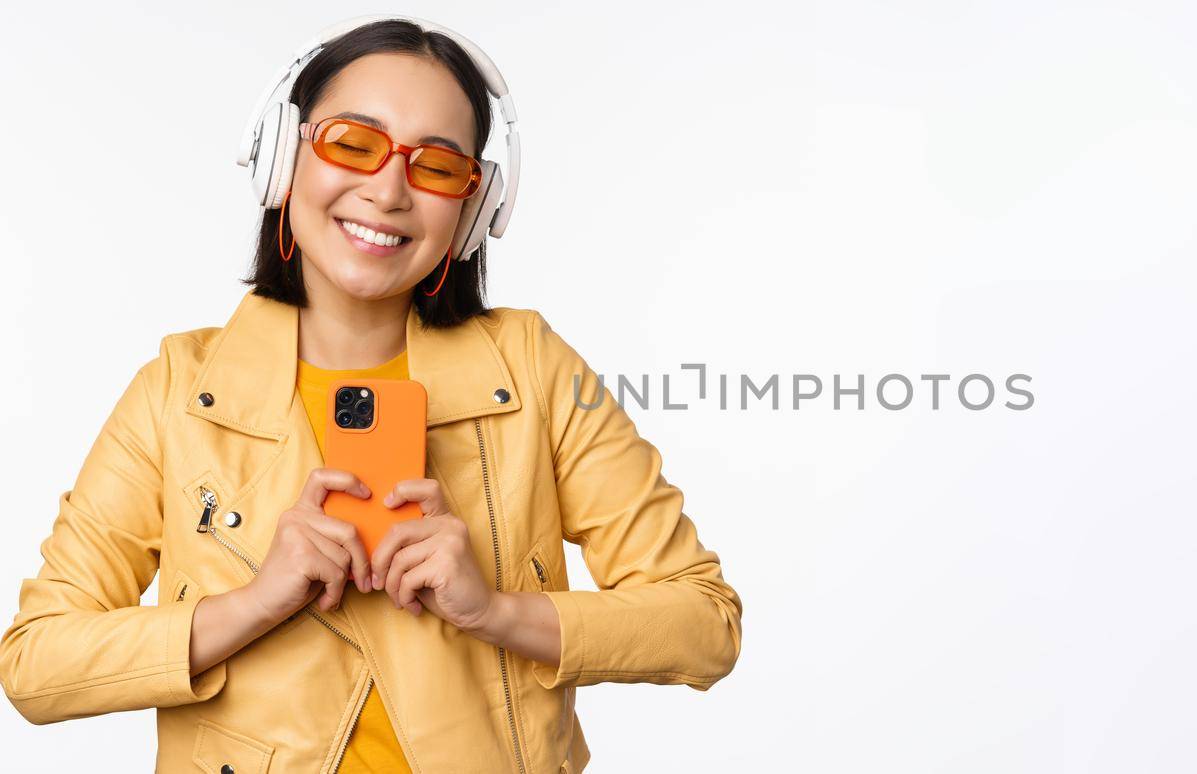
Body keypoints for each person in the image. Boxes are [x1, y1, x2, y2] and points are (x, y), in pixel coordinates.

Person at [0, 17, 742, 773]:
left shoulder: (532, 370)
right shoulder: (178, 391)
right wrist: (254, 603)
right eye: (353, 144)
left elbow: (703, 624)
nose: (388, 191)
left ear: (474, 208)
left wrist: (495, 611)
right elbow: (36, 664)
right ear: (282, 159)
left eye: (438, 167)